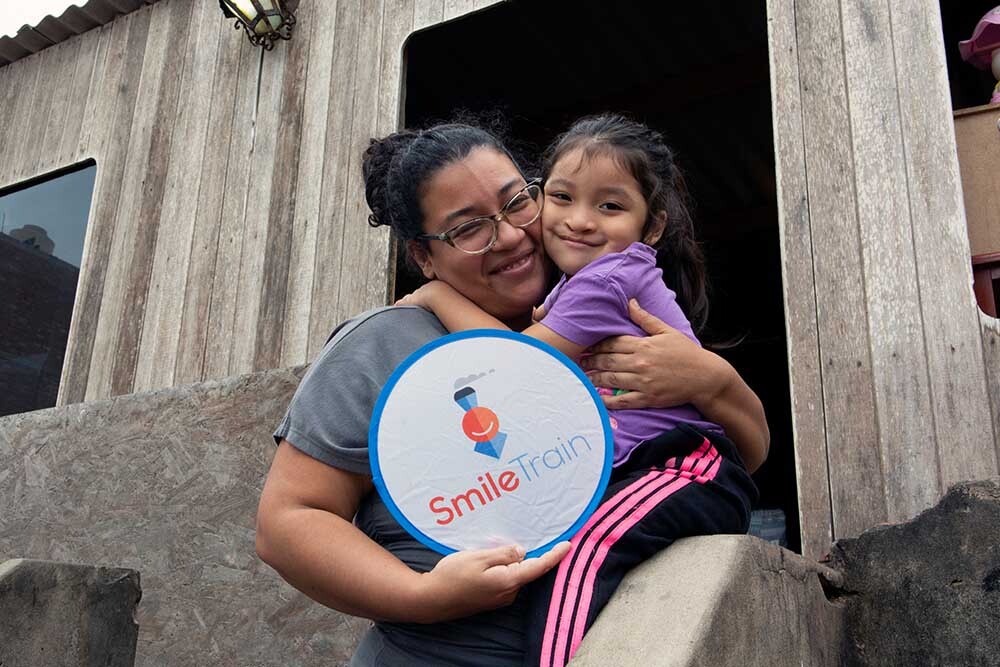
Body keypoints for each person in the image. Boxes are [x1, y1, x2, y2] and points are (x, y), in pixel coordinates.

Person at [255, 122, 769, 666]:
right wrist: (423, 597)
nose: (509, 234)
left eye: (517, 202)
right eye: (469, 227)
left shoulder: (596, 305)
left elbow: (746, 456)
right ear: (423, 256)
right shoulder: (386, 344)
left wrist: (712, 379)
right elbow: (288, 522)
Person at [397, 114, 758, 666]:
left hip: (682, 466)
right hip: (647, 470)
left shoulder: (605, 280)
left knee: (583, 554)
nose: (581, 221)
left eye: (610, 206)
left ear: (651, 226)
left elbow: (518, 365)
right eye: (562, 197)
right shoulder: (580, 284)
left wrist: (435, 297)